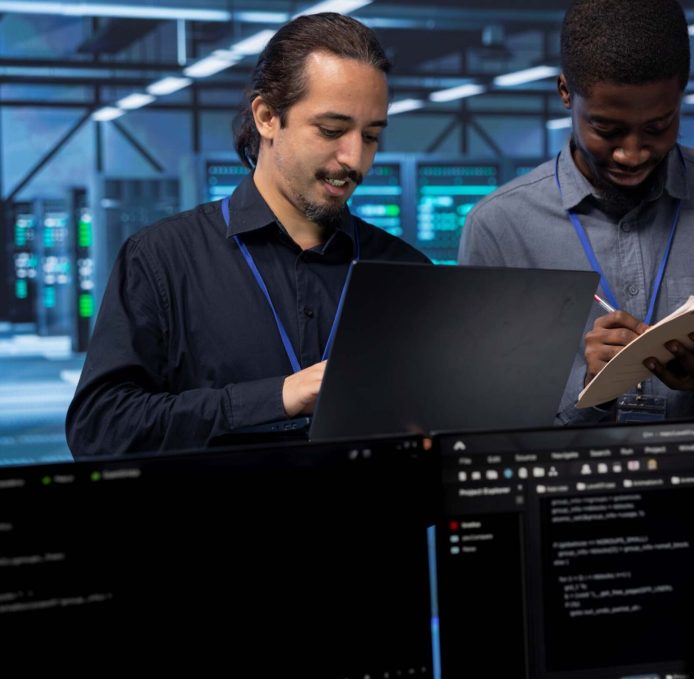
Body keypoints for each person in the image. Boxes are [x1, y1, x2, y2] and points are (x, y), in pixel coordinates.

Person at [66, 13, 429, 457]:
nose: (354, 158)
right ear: (267, 116)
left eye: (371, 136)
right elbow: (100, 430)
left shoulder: (405, 272)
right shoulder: (162, 260)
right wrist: (277, 397)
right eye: (331, 131)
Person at [459, 0, 694, 425]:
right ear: (565, 93)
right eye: (607, 129)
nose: (632, 154)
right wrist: (589, 392)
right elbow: (480, 421)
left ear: (681, 94)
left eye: (658, 127)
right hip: (565, 486)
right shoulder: (498, 228)